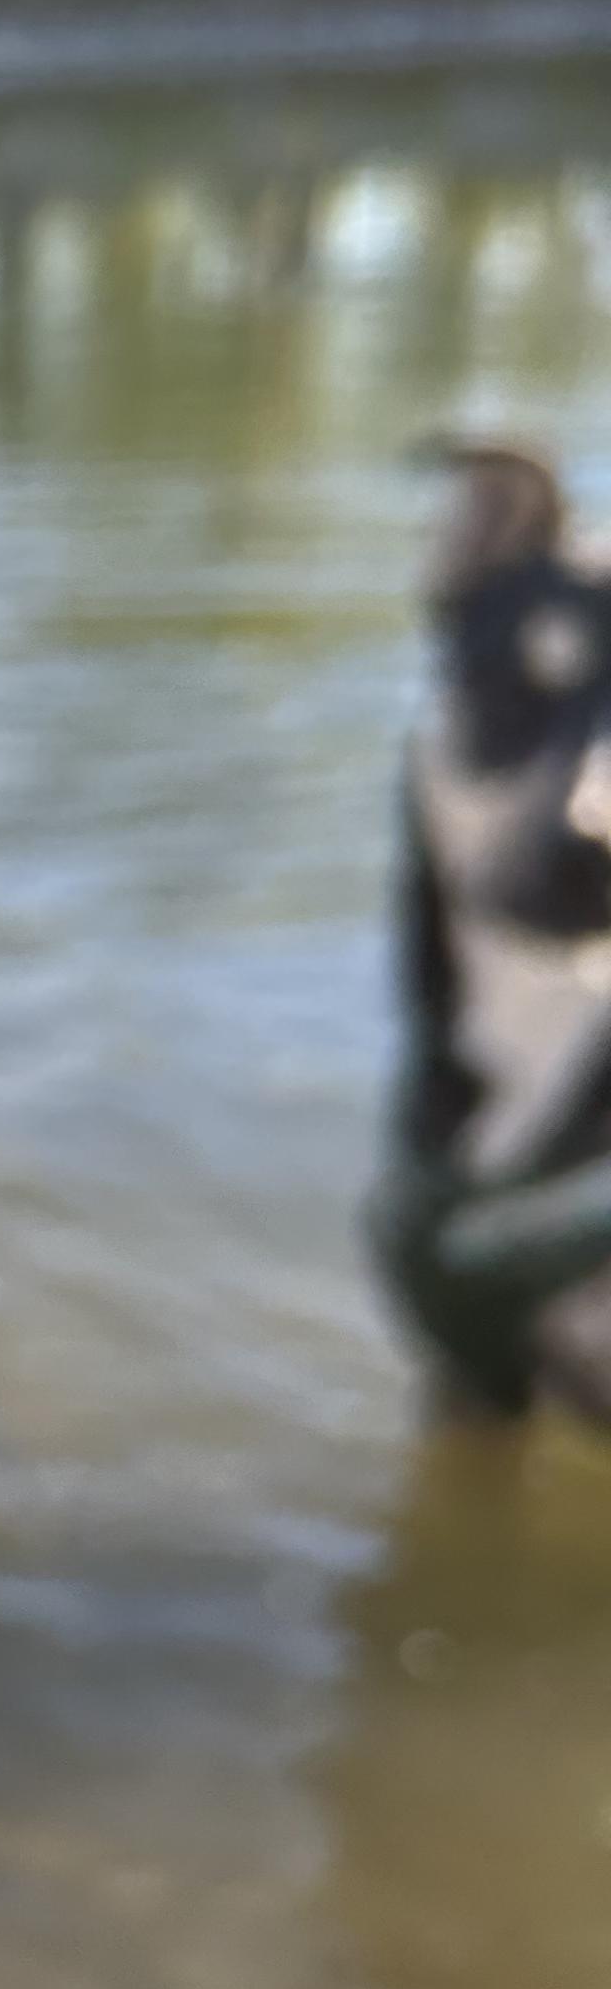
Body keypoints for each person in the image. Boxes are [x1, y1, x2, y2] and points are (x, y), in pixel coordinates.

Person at [374, 442, 611, 1418]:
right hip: (511, 1206)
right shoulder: (475, 743)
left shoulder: (462, 721)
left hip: (466, 1209)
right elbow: (539, 876)